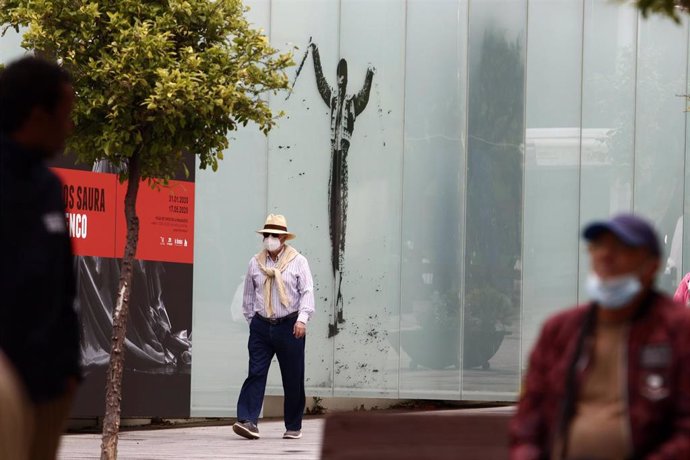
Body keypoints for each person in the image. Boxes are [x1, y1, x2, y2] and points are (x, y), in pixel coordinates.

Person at [510, 213, 690, 459]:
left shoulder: (678, 330)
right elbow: (528, 420)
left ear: (652, 266)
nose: (605, 256)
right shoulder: (560, 330)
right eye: (597, 246)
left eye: (620, 248)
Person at [0, 56, 82, 459]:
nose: (69, 127)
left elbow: (63, 285)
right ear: (37, 115)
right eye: (64, 115)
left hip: (48, 386)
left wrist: (68, 369)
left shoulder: (49, 186)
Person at [310, 43, 374, 337]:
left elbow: (364, 96)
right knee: (333, 236)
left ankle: (338, 304)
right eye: (339, 76)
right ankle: (336, 305)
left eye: (343, 77)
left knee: (341, 236)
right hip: (332, 172)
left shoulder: (350, 105)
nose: (340, 81)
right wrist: (315, 55)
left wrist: (371, 74)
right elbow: (320, 81)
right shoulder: (334, 100)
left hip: (343, 169)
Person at [233, 214, 315, 440]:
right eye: (267, 235)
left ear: (283, 238)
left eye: (275, 235)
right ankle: (248, 421)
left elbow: (307, 292)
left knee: (293, 377)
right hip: (261, 326)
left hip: (290, 325)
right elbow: (248, 297)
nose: (270, 239)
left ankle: (293, 426)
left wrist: (302, 319)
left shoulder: (298, 261)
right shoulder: (255, 262)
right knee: (256, 372)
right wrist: (253, 323)